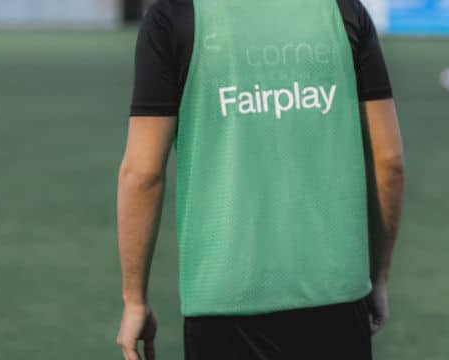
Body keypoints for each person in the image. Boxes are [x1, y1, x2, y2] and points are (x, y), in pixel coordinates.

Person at [116, 0, 405, 359]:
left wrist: (134, 299)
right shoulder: (342, 10)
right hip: (337, 294)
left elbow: (142, 174)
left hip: (225, 296)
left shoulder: (174, 15)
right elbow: (389, 161)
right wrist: (378, 278)